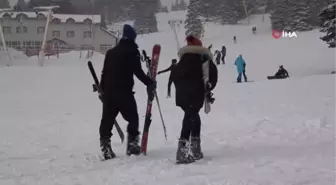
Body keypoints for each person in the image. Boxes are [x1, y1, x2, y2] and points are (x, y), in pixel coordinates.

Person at [99, 24, 156, 160]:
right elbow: (138, 72)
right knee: (133, 119)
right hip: (124, 92)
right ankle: (132, 146)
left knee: (107, 120)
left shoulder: (111, 53)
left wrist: (102, 89)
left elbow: (104, 73)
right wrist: (150, 82)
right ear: (132, 38)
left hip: (109, 93)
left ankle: (105, 147)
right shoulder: (132, 52)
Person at [171, 35, 218, 164]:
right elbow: (213, 75)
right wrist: (208, 88)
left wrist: (180, 88)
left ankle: (194, 148)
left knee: (193, 116)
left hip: (182, 95)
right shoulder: (204, 59)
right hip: (196, 93)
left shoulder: (182, 60)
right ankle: (183, 150)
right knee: (191, 117)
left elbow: (174, 75)